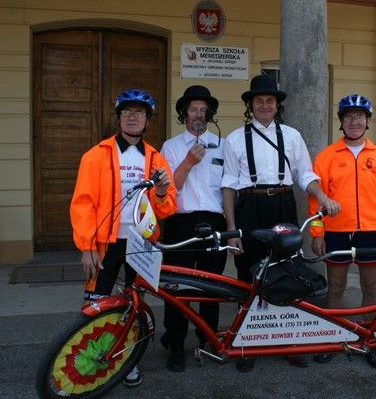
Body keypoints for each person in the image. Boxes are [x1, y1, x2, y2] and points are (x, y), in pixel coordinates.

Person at [221, 74, 340, 372]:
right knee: (248, 274)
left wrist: (322, 196)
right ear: (250, 105)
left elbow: (305, 174)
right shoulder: (235, 139)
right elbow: (229, 187)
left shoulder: (291, 136)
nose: (264, 105)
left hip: (283, 204)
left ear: (277, 105)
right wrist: (232, 231)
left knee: (287, 272)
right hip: (249, 207)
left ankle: (289, 341)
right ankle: (246, 343)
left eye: (269, 101)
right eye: (259, 101)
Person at [70, 88, 177, 387]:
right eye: (127, 112)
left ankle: (128, 360)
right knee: (95, 304)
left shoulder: (156, 159)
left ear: (147, 120)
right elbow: (83, 203)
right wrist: (87, 246)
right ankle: (90, 360)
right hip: (106, 244)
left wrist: (160, 192)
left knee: (133, 305)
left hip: (141, 243)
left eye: (139, 113)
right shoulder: (95, 155)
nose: (132, 117)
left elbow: (167, 208)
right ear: (118, 118)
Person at [308, 94, 376, 368]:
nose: (354, 122)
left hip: (372, 232)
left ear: (367, 121)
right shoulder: (326, 157)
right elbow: (315, 202)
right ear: (341, 121)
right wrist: (317, 234)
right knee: (336, 288)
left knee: (371, 288)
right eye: (348, 117)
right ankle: (332, 339)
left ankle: (371, 341)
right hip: (336, 232)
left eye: (359, 117)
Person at [159, 85, 226, 372]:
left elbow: (228, 189)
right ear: (184, 114)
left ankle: (207, 339)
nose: (198, 114)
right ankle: (176, 342)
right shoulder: (171, 147)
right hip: (181, 223)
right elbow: (167, 188)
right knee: (178, 287)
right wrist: (188, 162)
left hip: (214, 222)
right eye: (193, 109)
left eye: (203, 110)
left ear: (209, 114)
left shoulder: (222, 145)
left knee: (211, 286)